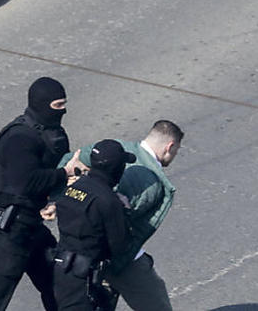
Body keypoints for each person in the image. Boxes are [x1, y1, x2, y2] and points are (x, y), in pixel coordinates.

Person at [0, 77, 86, 311]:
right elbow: (26, 181)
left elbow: (46, 182)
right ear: (42, 104)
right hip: (8, 230)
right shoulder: (19, 138)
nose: (63, 111)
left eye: (64, 104)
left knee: (61, 288)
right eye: (58, 106)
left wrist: (53, 201)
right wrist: (65, 173)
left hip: (32, 225)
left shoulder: (52, 135)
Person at [58, 120, 183, 311]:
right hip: (118, 258)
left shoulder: (114, 148)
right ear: (170, 147)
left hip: (78, 254)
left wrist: (56, 194)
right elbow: (120, 234)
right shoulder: (150, 180)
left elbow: (73, 159)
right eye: (176, 151)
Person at [53, 139, 134, 311]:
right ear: (118, 169)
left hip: (61, 268)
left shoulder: (73, 188)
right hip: (86, 277)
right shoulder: (108, 201)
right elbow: (120, 246)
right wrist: (125, 213)